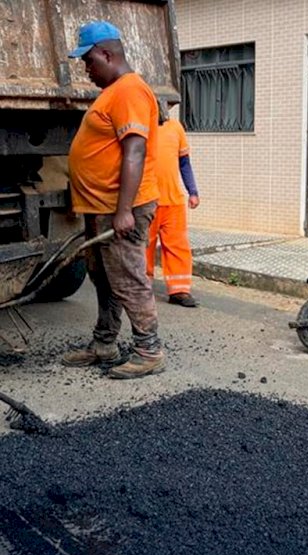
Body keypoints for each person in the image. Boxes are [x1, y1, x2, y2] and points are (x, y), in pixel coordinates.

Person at [61, 20, 164, 379]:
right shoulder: (113, 92)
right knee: (103, 278)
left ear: (106, 54)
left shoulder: (129, 91)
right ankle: (104, 342)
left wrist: (124, 212)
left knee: (128, 279)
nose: (86, 70)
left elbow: (134, 152)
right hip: (100, 208)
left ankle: (149, 351)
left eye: (89, 62)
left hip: (120, 210)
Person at [146, 101, 200, 307]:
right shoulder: (141, 129)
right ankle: (142, 288)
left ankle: (179, 291)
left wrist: (192, 191)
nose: (161, 109)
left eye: (164, 105)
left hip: (173, 201)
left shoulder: (176, 128)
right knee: (143, 247)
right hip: (146, 201)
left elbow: (185, 163)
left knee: (178, 247)